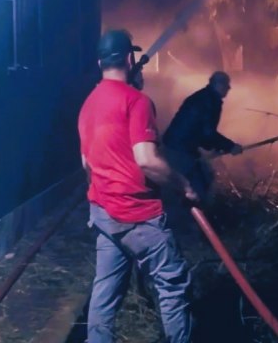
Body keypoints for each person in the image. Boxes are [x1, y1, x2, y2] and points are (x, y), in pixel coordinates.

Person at [78, 29, 198, 343]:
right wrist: (184, 185)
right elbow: (146, 160)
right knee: (172, 287)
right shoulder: (137, 102)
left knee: (104, 295)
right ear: (130, 59)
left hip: (104, 215)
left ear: (100, 62)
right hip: (138, 216)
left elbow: (87, 164)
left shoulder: (87, 105)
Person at [163, 71, 243, 202]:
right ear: (217, 84)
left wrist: (215, 147)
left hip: (176, 146)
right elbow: (207, 133)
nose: (229, 88)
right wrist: (230, 146)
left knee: (200, 179)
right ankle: (191, 217)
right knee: (198, 186)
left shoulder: (203, 97)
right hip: (180, 150)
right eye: (226, 84)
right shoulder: (210, 101)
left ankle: (189, 214)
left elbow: (201, 131)